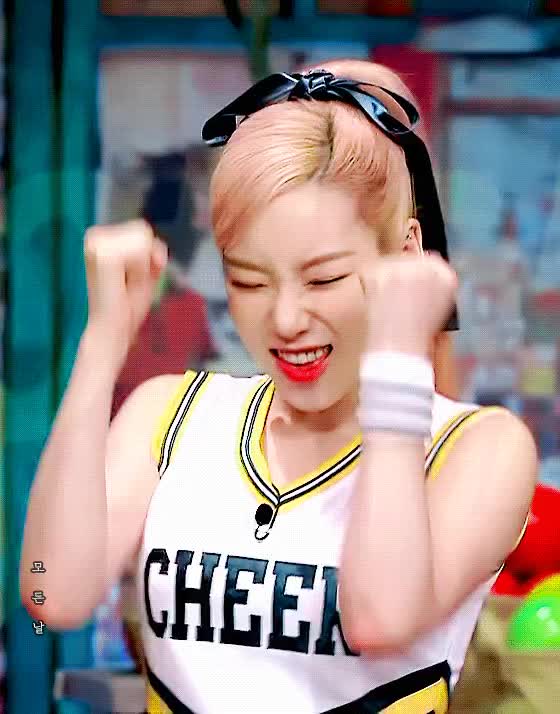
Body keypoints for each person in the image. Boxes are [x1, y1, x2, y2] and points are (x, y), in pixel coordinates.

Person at [21, 59, 536, 713]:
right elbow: (50, 595)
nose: (286, 320)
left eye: (323, 279)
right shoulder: (173, 416)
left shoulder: (479, 448)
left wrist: (397, 360)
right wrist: (102, 343)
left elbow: (379, 618)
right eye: (250, 281)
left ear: (406, 252)